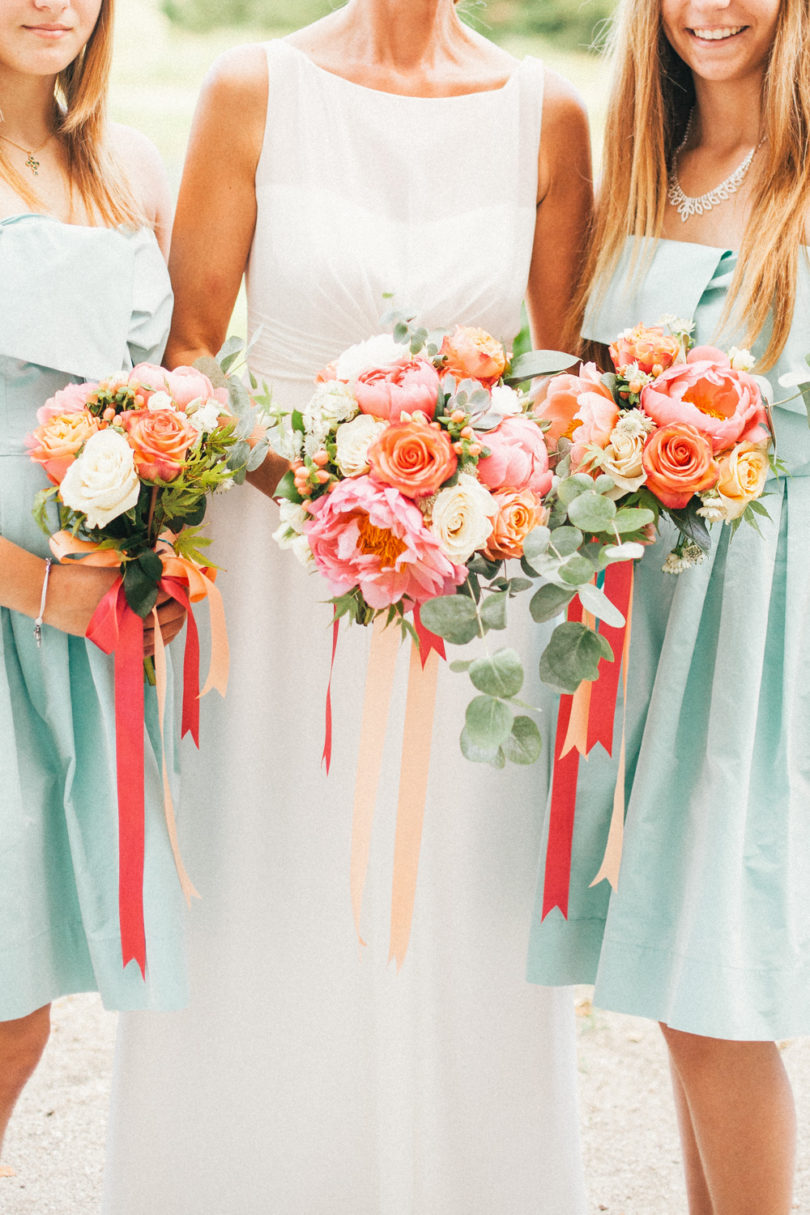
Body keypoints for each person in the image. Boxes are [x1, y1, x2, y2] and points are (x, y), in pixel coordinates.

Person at [103, 2, 593, 1212]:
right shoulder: (250, 86)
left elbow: (560, 373)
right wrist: (330, 485)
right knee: (267, 892)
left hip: (468, 596)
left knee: (454, 916)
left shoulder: (552, 115)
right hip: (276, 578)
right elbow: (193, 349)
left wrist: (465, 495)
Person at [527, 0, 810, 1210]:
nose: (714, 7)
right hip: (650, 604)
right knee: (674, 980)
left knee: (716, 988)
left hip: (769, 608)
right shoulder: (642, 169)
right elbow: (579, 390)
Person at [0, 0, 187, 1176]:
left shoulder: (127, 165)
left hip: (81, 626)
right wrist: (33, 587)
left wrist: (160, 557)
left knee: (25, 977)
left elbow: (170, 391)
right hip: (24, 601)